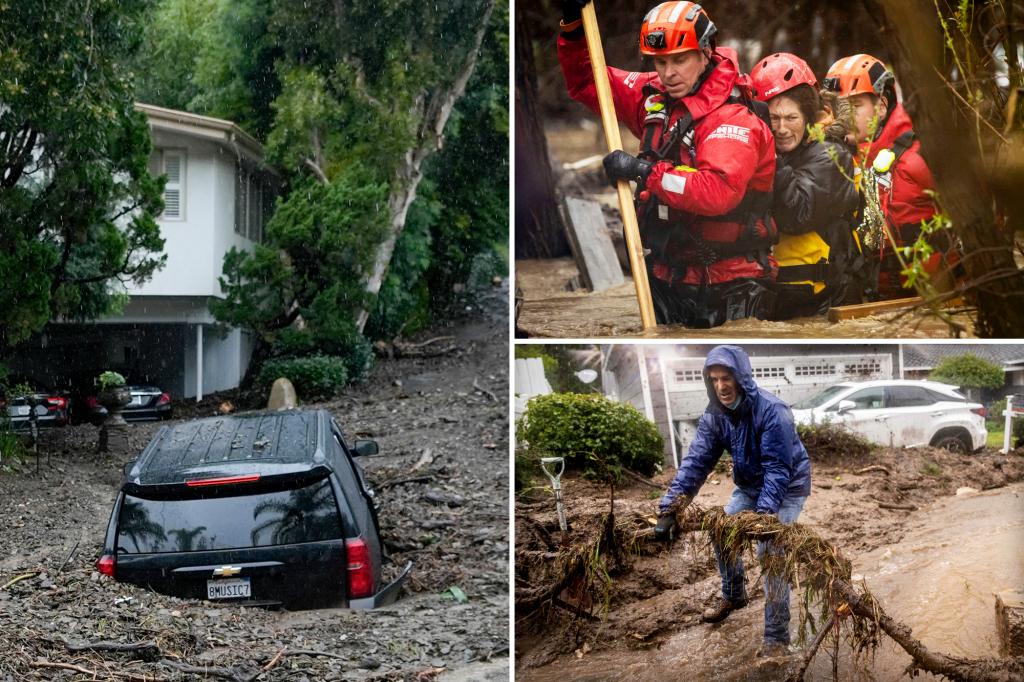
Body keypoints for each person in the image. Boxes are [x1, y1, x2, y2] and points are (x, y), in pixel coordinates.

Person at [557, 0, 777, 328]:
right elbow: (590, 83)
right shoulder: (654, 97)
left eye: (679, 60)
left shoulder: (734, 119)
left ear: (705, 52)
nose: (668, 73)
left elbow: (717, 191)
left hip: (732, 285)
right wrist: (573, 26)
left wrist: (642, 171)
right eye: (659, 61)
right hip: (666, 276)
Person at [654, 345, 811, 658]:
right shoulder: (715, 415)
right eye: (714, 379)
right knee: (722, 529)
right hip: (750, 485)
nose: (721, 386)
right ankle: (734, 594)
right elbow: (697, 462)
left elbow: (778, 471)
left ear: (742, 378)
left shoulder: (772, 411)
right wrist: (670, 508)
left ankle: (776, 639)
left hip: (787, 487)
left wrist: (764, 519)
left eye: (727, 378)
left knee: (772, 554)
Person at [823, 54, 958, 300]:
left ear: (882, 106)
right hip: (877, 299)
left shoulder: (920, 154)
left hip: (939, 296)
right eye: (838, 108)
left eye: (854, 107)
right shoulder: (836, 156)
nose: (844, 118)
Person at [748, 52, 862, 317]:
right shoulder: (770, 153)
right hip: (780, 297)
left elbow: (797, 213)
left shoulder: (832, 155)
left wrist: (768, 156)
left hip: (825, 301)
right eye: (773, 119)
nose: (781, 129)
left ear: (809, 116)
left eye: (791, 118)